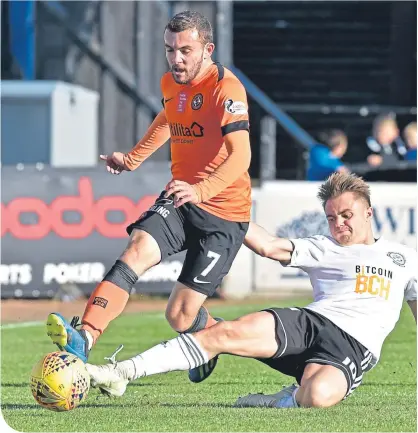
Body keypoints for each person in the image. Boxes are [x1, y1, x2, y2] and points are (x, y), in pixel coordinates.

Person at [85, 172, 417, 409]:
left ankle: (283, 399)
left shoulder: (406, 259)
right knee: (224, 334)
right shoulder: (323, 246)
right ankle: (120, 372)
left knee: (317, 397)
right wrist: (223, 206)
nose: (339, 223)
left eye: (347, 215)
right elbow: (268, 245)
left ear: (368, 213)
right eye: (331, 217)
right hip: (310, 323)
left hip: (354, 348)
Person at [46, 10, 252, 384]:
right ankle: (85, 336)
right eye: (170, 50)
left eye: (185, 51)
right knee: (136, 248)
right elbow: (168, 119)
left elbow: (242, 155)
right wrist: (132, 159)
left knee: (180, 316)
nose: (177, 59)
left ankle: (209, 336)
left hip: (223, 213)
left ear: (208, 49)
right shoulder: (172, 83)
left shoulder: (227, 89)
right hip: (181, 199)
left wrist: (201, 189)